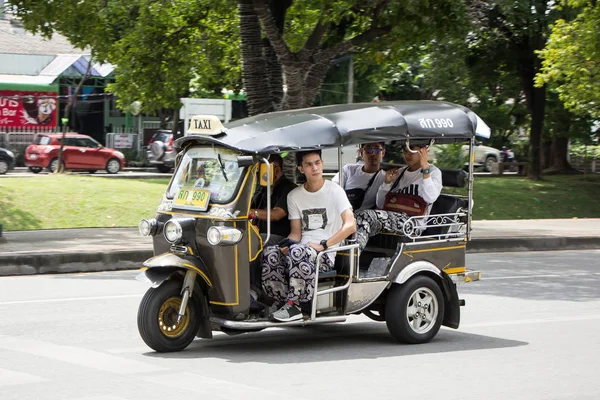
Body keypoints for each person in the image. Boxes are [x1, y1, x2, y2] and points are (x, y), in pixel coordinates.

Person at [261, 150, 356, 322]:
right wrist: (287, 244)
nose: (315, 168)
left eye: (317, 163)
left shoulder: (335, 191)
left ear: (322, 164)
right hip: (301, 248)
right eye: (309, 164)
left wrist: (324, 245)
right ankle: (279, 300)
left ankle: (294, 305)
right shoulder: (294, 196)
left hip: (324, 253)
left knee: (298, 252)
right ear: (301, 169)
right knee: (271, 252)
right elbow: (296, 233)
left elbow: (350, 225)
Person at [355, 143, 442, 251]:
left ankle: (354, 256)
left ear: (423, 151)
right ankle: (346, 254)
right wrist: (387, 183)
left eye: (411, 151)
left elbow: (430, 197)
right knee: (355, 215)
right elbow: (381, 204)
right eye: (405, 151)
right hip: (392, 217)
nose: (407, 155)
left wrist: (425, 168)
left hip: (412, 223)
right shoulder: (400, 172)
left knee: (366, 215)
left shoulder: (433, 172)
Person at [249, 154, 297, 244]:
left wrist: (251, 213)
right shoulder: (262, 188)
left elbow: (276, 214)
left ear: (277, 170)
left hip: (281, 238)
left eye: (262, 169)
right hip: (261, 233)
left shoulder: (289, 188)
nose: (259, 173)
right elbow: (249, 206)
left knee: (255, 239)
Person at [332, 142, 386, 211]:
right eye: (368, 150)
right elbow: (334, 188)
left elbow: (381, 205)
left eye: (377, 150)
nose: (373, 154)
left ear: (383, 153)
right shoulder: (348, 169)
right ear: (361, 152)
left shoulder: (385, 178)